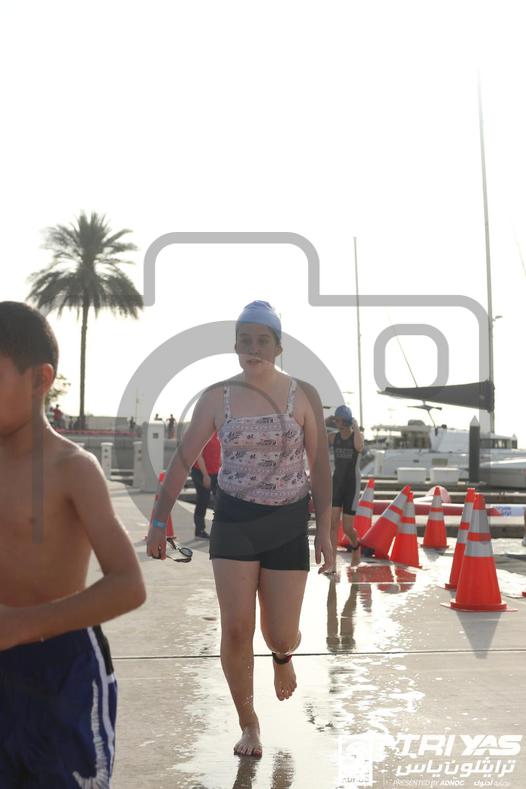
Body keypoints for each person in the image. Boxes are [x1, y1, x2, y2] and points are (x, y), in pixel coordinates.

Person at [147, 300, 332, 759]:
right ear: (234, 345)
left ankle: (283, 657)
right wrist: (158, 520)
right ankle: (249, 723)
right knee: (235, 628)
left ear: (278, 347)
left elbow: (320, 466)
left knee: (280, 634)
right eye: (245, 340)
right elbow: (183, 459)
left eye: (262, 340)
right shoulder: (217, 397)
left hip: (287, 524)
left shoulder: (303, 394)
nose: (253, 348)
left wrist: (327, 532)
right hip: (234, 522)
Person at [0, 301, 146, 785]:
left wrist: (22, 625)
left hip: (63, 674)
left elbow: (128, 584)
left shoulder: (72, 469)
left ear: (39, 380)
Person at [328, 404, 364, 571]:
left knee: (348, 528)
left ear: (348, 421)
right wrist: (325, 421)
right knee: (333, 524)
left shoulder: (357, 437)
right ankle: (332, 563)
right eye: (336, 420)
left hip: (352, 485)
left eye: (341, 420)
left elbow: (359, 447)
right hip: (337, 483)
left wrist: (355, 425)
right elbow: (315, 435)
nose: (338, 424)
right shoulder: (333, 437)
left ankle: (356, 546)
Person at [191, 431, 221, 538]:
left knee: (221, 501)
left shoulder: (218, 433)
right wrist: (205, 475)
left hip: (215, 472)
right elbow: (198, 456)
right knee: (203, 499)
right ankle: (199, 530)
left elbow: (218, 455)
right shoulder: (203, 433)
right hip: (201, 472)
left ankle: (220, 529)